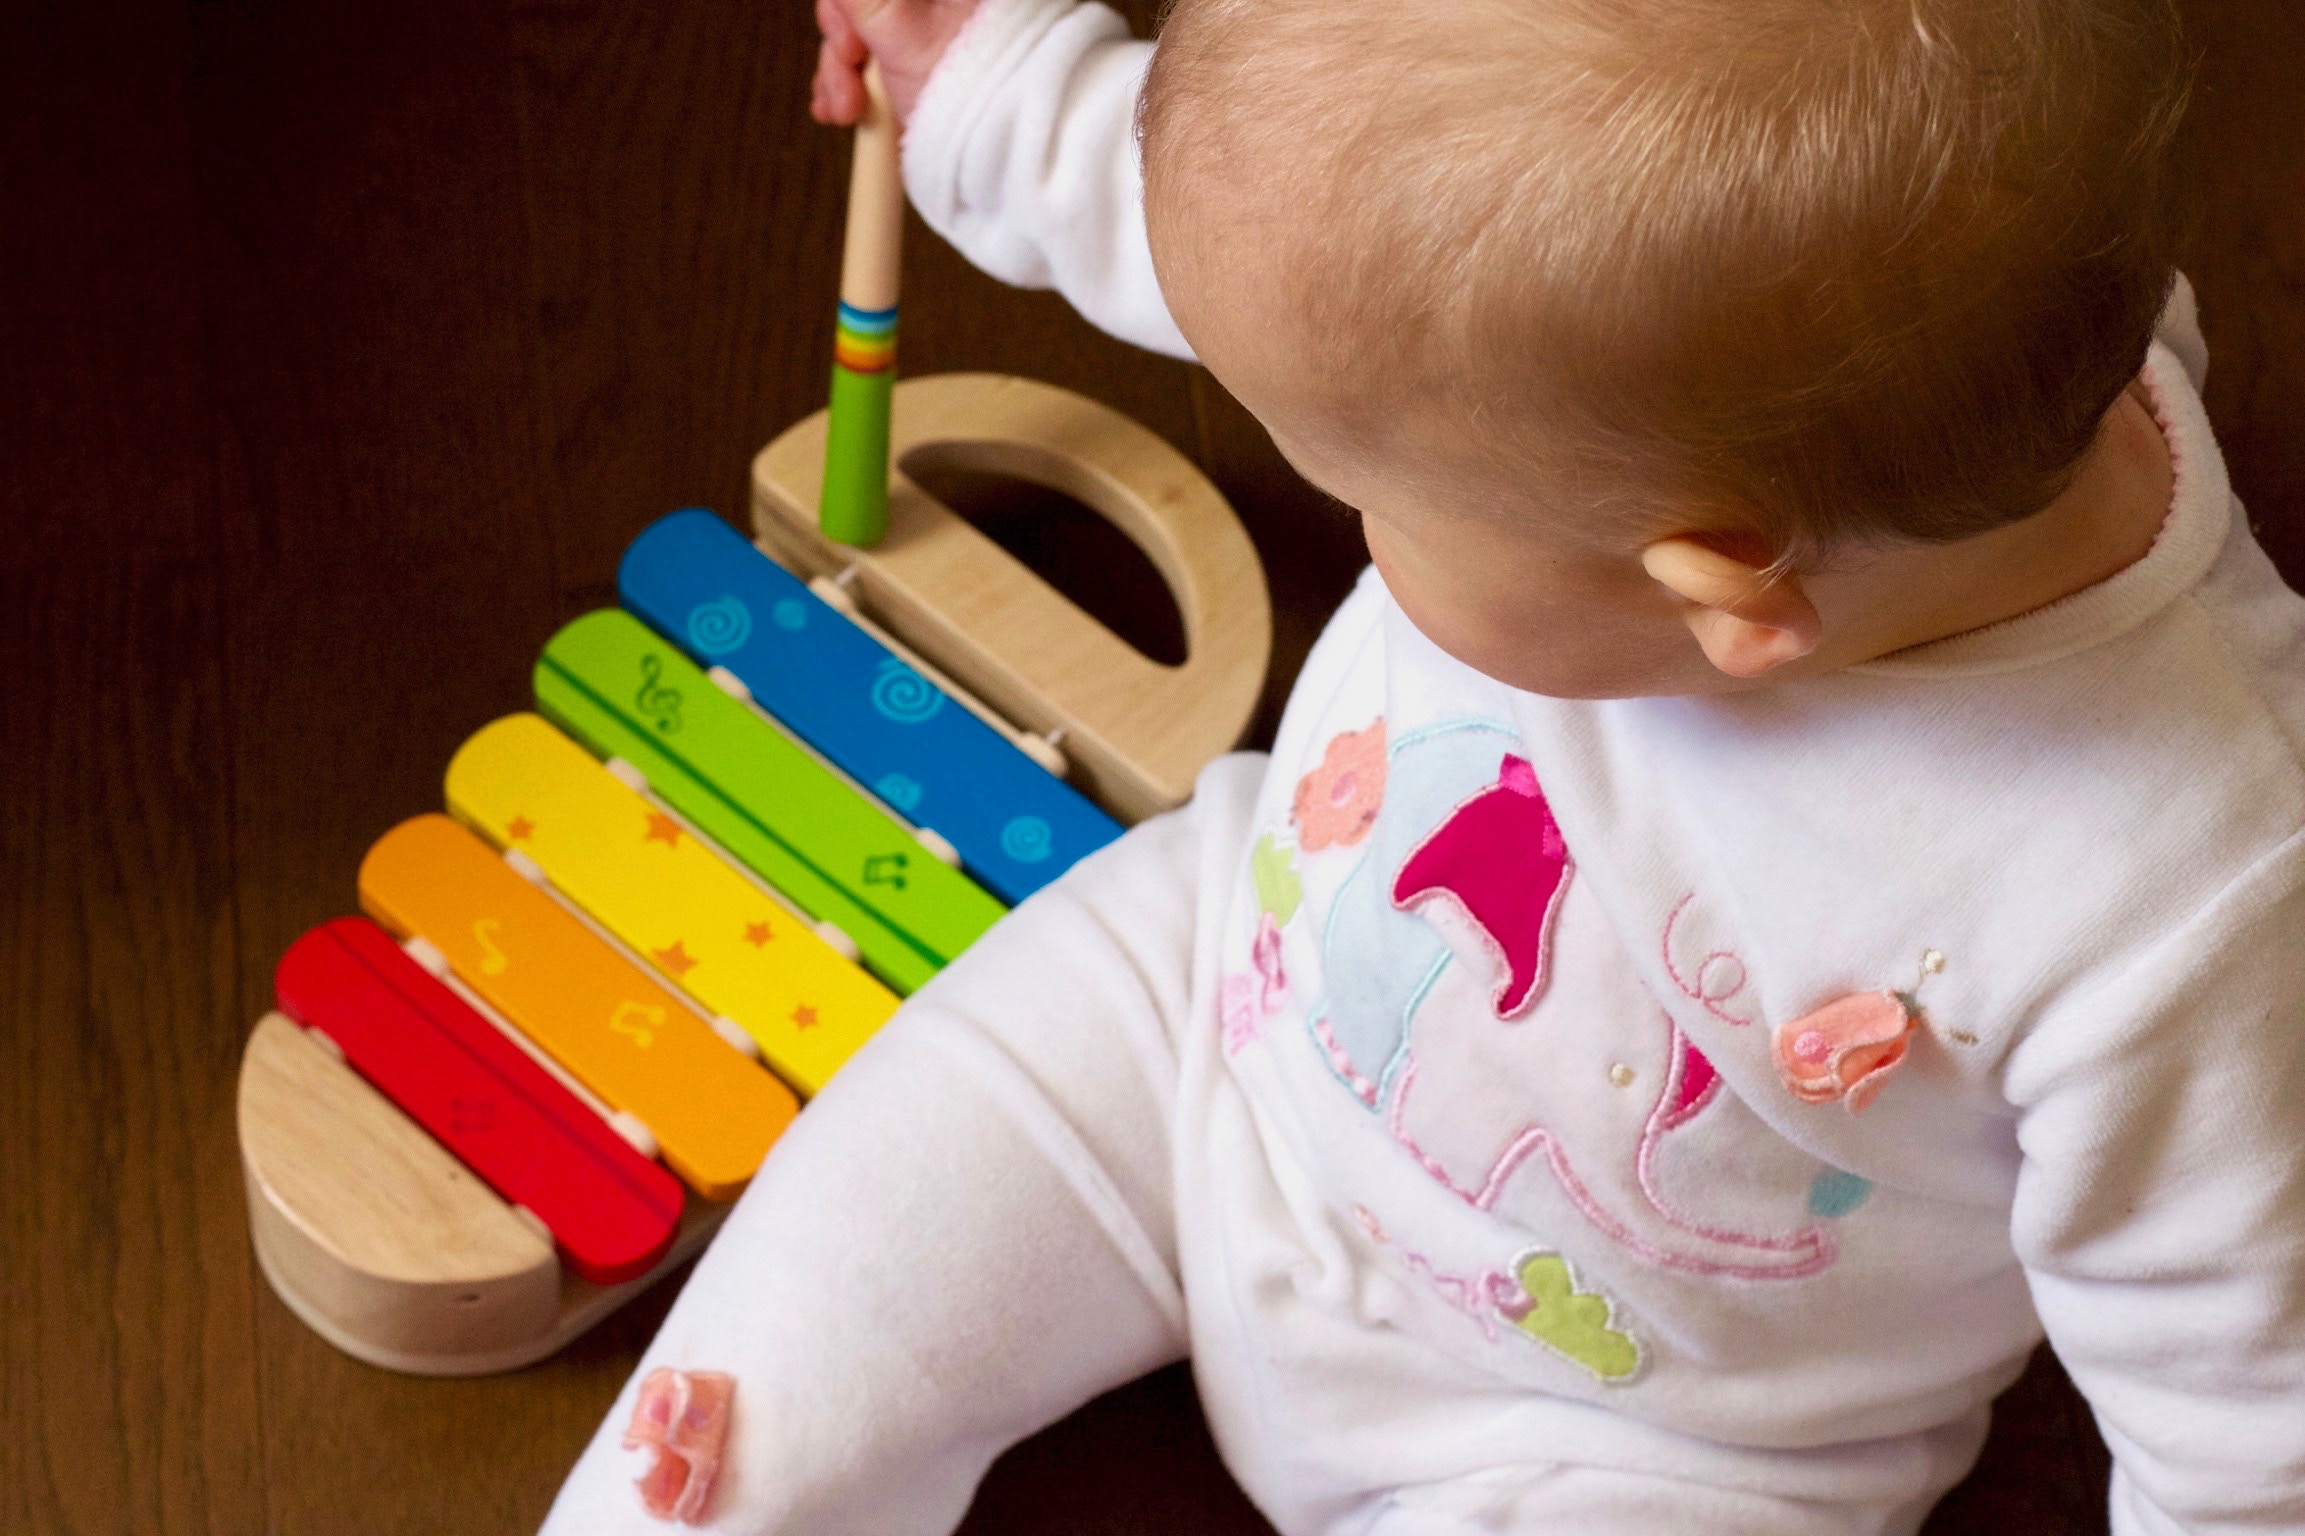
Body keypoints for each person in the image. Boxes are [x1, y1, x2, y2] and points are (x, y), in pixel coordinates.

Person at [543, 0, 2305, 1529]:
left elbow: (2250, 1428)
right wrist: (997, 87)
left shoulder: (2188, 907)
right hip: (1203, 1030)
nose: (1358, 516)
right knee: (783, 1359)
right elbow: (1331, 241)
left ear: (1716, 594)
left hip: (1635, 1441)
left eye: (1375, 496)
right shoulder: (1905, 337)